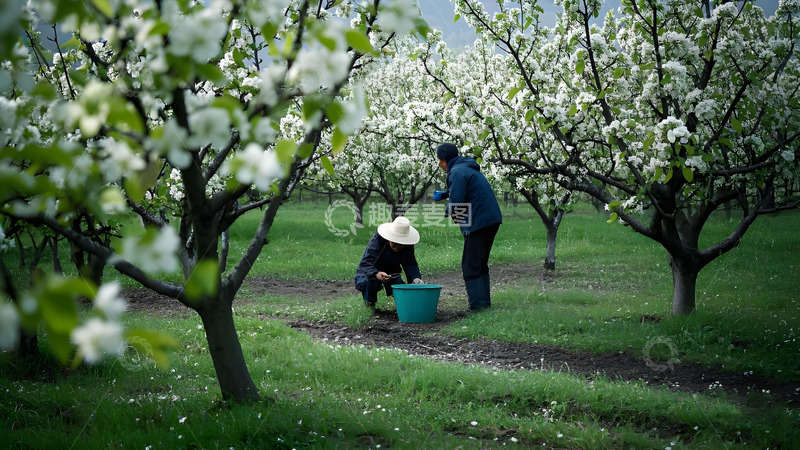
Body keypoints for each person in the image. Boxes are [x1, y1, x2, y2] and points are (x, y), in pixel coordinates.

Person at [434, 142, 502, 311]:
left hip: (478, 222)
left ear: (443, 161)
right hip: (491, 219)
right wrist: (447, 194)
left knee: (470, 266)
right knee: (480, 264)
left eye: (439, 161)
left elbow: (457, 205)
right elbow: (467, 190)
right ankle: (484, 304)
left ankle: (478, 307)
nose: (440, 165)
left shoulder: (456, 172)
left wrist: (450, 212)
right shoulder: (467, 167)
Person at [354, 216, 424, 307]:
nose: (397, 247)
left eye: (401, 244)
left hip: (392, 272)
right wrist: (376, 274)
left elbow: (410, 263)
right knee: (369, 282)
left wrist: (415, 278)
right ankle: (369, 307)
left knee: (403, 292)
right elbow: (366, 263)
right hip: (372, 271)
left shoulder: (408, 245)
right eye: (394, 243)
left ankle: (405, 307)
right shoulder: (378, 240)